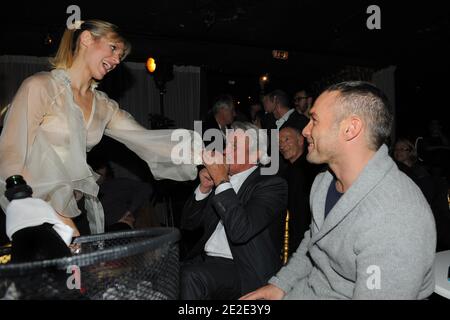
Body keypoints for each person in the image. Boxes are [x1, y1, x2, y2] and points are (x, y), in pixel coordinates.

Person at [0, 20, 200, 237]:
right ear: (86, 38)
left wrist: (203, 155)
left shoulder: (103, 106)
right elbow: (11, 153)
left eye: (120, 56)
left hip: (75, 208)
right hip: (34, 206)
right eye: (113, 48)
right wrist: (43, 209)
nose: (116, 60)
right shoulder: (41, 86)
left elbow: (146, 139)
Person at [241, 81, 436, 300]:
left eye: (314, 120)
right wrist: (281, 285)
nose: (305, 130)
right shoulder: (324, 182)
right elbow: (314, 243)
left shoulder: (395, 216)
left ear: (350, 128)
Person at [180, 121, 288, 299]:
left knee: (190, 276)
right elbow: (188, 224)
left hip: (242, 268)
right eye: (226, 145)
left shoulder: (271, 185)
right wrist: (204, 188)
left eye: (234, 146)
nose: (224, 151)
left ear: (255, 155)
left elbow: (240, 231)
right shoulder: (220, 182)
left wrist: (222, 181)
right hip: (206, 261)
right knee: (160, 272)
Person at [278, 125, 321, 257]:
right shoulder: (290, 170)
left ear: (301, 140)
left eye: (286, 139)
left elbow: (300, 213)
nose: (282, 145)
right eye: (279, 142)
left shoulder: (307, 170)